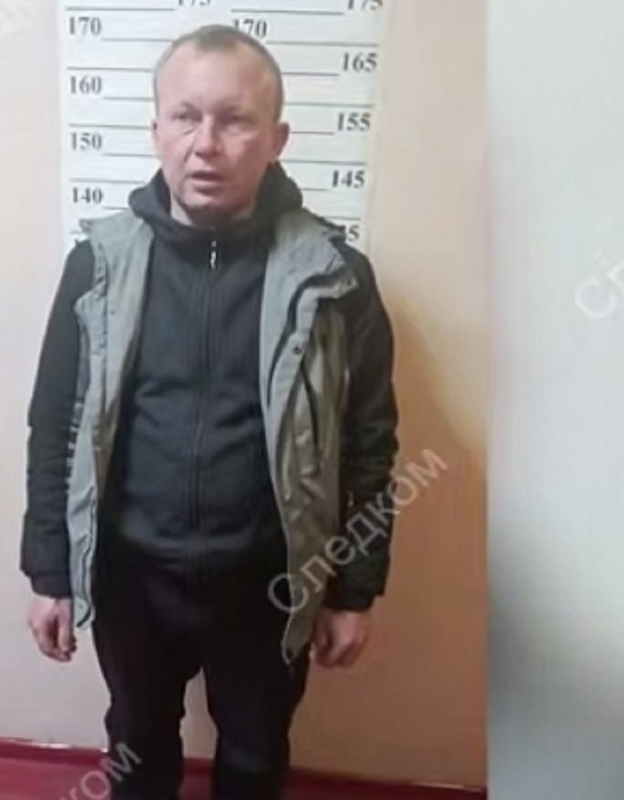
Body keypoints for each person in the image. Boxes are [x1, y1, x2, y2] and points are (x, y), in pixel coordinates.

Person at [20, 24, 399, 800]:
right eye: (186, 117)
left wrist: (353, 590)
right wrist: (50, 571)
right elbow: (55, 424)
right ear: (155, 128)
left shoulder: (335, 277)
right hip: (132, 578)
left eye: (235, 120)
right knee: (137, 747)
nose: (206, 144)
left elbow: (370, 442)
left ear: (277, 139)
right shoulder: (97, 265)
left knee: (257, 757)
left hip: (268, 581)